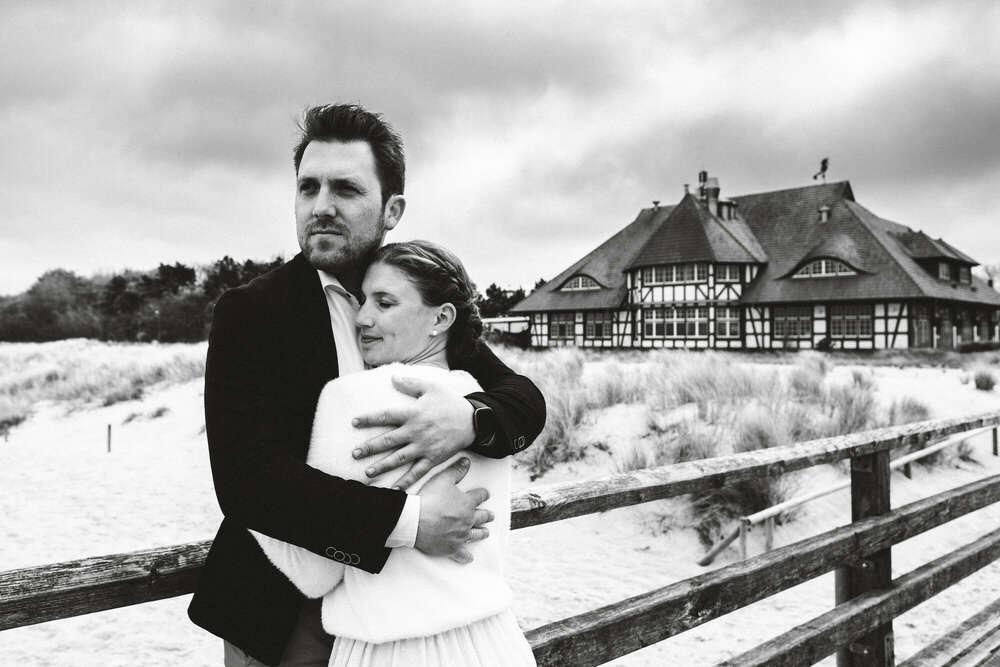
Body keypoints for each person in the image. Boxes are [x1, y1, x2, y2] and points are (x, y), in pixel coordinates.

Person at [188, 104, 546, 667]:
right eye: (308, 187)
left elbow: (524, 401)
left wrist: (469, 420)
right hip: (282, 606)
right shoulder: (251, 312)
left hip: (405, 611)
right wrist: (411, 524)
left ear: (392, 208)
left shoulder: (413, 302)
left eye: (346, 189)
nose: (322, 206)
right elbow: (247, 481)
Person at [253, 240, 536, 666]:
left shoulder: (351, 398)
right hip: (493, 642)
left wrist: (257, 493)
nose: (362, 318)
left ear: (441, 318)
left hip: (389, 650)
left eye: (384, 303)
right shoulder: (479, 403)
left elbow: (315, 574)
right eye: (364, 300)